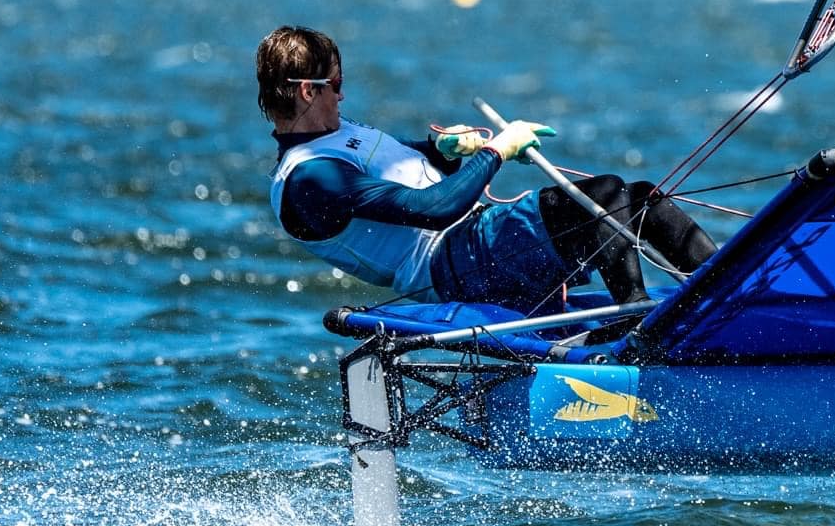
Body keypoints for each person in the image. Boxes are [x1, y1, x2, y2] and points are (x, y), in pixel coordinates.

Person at [257, 25, 716, 318]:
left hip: (474, 243)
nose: (342, 94)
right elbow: (432, 209)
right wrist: (496, 151)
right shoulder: (309, 180)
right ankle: (637, 321)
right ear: (305, 92)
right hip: (452, 262)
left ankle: (727, 289)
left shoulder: (331, 133)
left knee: (639, 197)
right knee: (606, 196)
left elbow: (402, 169)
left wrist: (446, 149)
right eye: (334, 84)